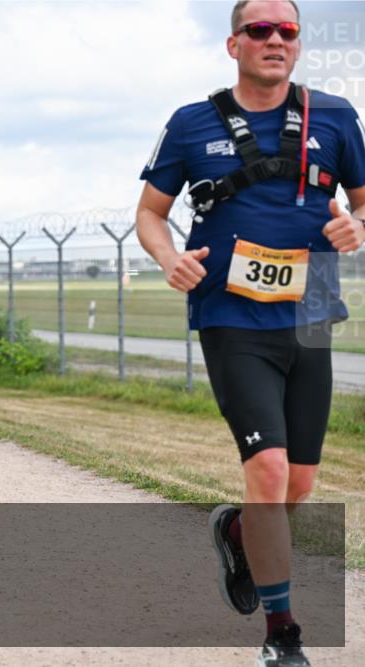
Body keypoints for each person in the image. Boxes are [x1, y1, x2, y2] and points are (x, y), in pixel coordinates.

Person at [135, 2, 365, 665]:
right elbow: (151, 213)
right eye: (259, 30)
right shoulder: (190, 123)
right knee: (266, 469)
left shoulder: (338, 116)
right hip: (231, 315)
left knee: (299, 481)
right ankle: (282, 633)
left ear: (297, 44)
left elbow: (364, 201)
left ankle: (237, 530)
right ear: (233, 43)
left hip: (313, 311)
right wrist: (167, 256)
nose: (274, 39)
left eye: (286, 30)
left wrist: (358, 225)